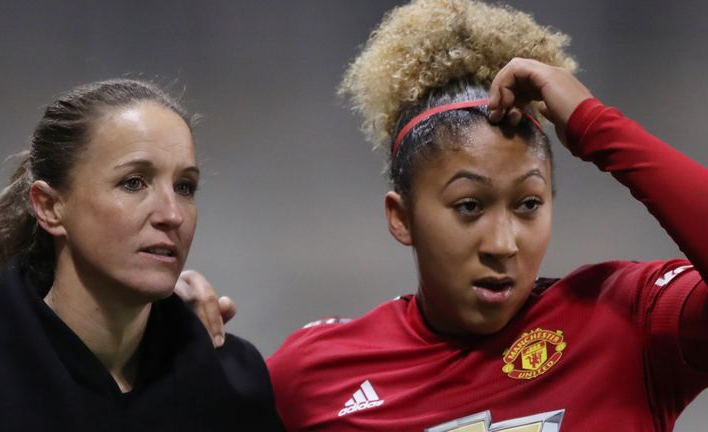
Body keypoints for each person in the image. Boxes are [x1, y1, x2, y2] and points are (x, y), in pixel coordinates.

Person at [181, 0, 708, 430]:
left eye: (528, 204)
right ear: (401, 218)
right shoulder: (315, 375)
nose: (503, 242)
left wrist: (597, 124)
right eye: (469, 206)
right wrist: (160, 359)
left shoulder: (627, 322)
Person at [0, 79, 284, 431]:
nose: (172, 214)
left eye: (184, 187)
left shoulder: (232, 385)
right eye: (134, 182)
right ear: (50, 207)